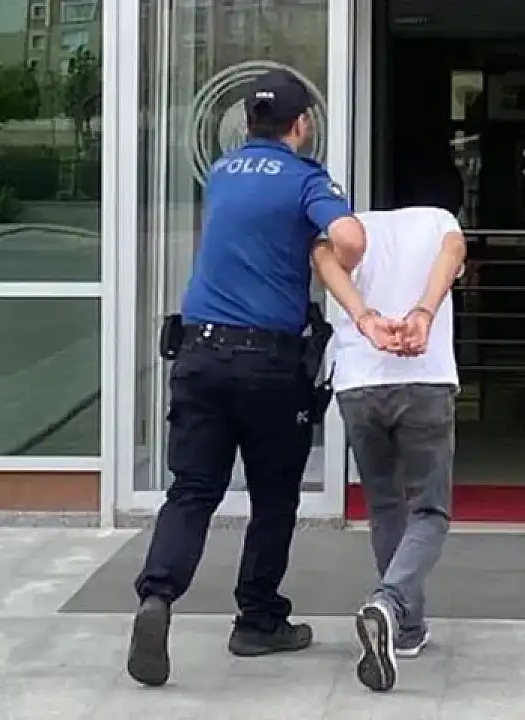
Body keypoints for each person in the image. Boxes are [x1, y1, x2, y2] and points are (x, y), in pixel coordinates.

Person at [126, 69, 396, 688]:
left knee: (192, 489)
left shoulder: (223, 172)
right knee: (273, 497)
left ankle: (157, 597)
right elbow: (350, 237)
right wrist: (328, 254)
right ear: (301, 124)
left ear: (248, 121)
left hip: (199, 353)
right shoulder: (304, 179)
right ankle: (257, 619)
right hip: (267, 363)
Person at [332, 180, 466, 693]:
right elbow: (453, 254)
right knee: (429, 509)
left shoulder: (346, 231)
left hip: (359, 384)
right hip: (425, 379)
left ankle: (405, 630)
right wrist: (423, 314)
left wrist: (368, 319)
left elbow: (326, 266)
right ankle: (389, 603)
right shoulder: (440, 222)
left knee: (386, 506)